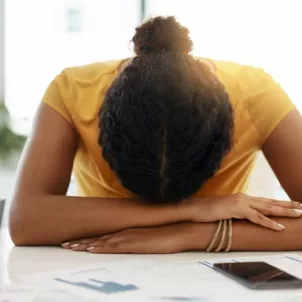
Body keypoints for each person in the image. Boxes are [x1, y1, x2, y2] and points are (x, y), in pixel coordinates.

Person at [9, 16, 302, 254]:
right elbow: (26, 220)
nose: (165, 205)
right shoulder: (71, 90)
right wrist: (197, 208)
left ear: (228, 132)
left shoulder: (255, 93)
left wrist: (188, 234)